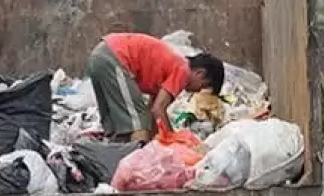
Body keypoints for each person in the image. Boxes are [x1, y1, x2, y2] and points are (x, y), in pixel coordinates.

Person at [85, 32, 225, 142]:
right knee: (139, 123)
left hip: (100, 55)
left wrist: (156, 141)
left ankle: (113, 162)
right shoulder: (183, 71)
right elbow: (158, 110)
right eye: (203, 86)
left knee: (115, 125)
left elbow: (153, 114)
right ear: (200, 73)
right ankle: (137, 171)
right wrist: (174, 143)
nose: (198, 91)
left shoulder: (170, 67)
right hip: (115, 56)